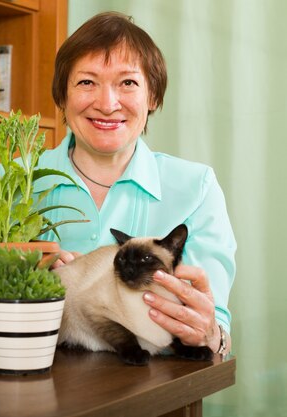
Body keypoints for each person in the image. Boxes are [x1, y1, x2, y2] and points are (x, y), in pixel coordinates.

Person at [38, 11, 235, 356]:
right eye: (87, 82)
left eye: (127, 83)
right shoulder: (13, 183)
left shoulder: (196, 187)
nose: (107, 104)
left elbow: (216, 334)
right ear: (61, 96)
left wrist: (209, 333)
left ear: (153, 97)